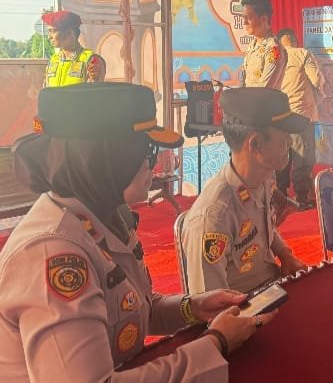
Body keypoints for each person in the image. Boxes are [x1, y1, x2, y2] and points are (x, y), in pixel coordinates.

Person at [0, 83, 276, 383]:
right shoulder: (53, 253)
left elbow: (133, 308)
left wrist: (192, 308)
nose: (153, 164)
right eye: (145, 151)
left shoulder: (104, 216)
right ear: (103, 157)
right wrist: (216, 343)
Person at [181, 87, 308, 295]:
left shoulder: (263, 178)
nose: (290, 142)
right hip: (245, 308)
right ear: (256, 145)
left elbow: (260, 226)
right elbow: (210, 307)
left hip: (273, 290)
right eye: (284, 136)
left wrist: (285, 255)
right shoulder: (214, 218)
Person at [275, 28, 325, 209]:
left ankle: (280, 193)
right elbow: (317, 79)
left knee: (282, 154)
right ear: (295, 41)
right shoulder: (302, 54)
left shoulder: (274, 58)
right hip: (301, 114)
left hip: (278, 115)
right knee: (302, 155)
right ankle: (302, 197)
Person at [42, 10, 106, 87]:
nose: (49, 37)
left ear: (69, 32)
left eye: (52, 31)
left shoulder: (91, 60)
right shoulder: (53, 60)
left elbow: (94, 92)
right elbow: (46, 90)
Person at [238, 0, 286, 89]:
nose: (244, 22)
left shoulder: (274, 48)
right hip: (248, 98)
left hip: (263, 98)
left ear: (264, 19)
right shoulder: (252, 45)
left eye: (249, 18)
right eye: (243, 18)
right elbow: (243, 80)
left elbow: (265, 89)